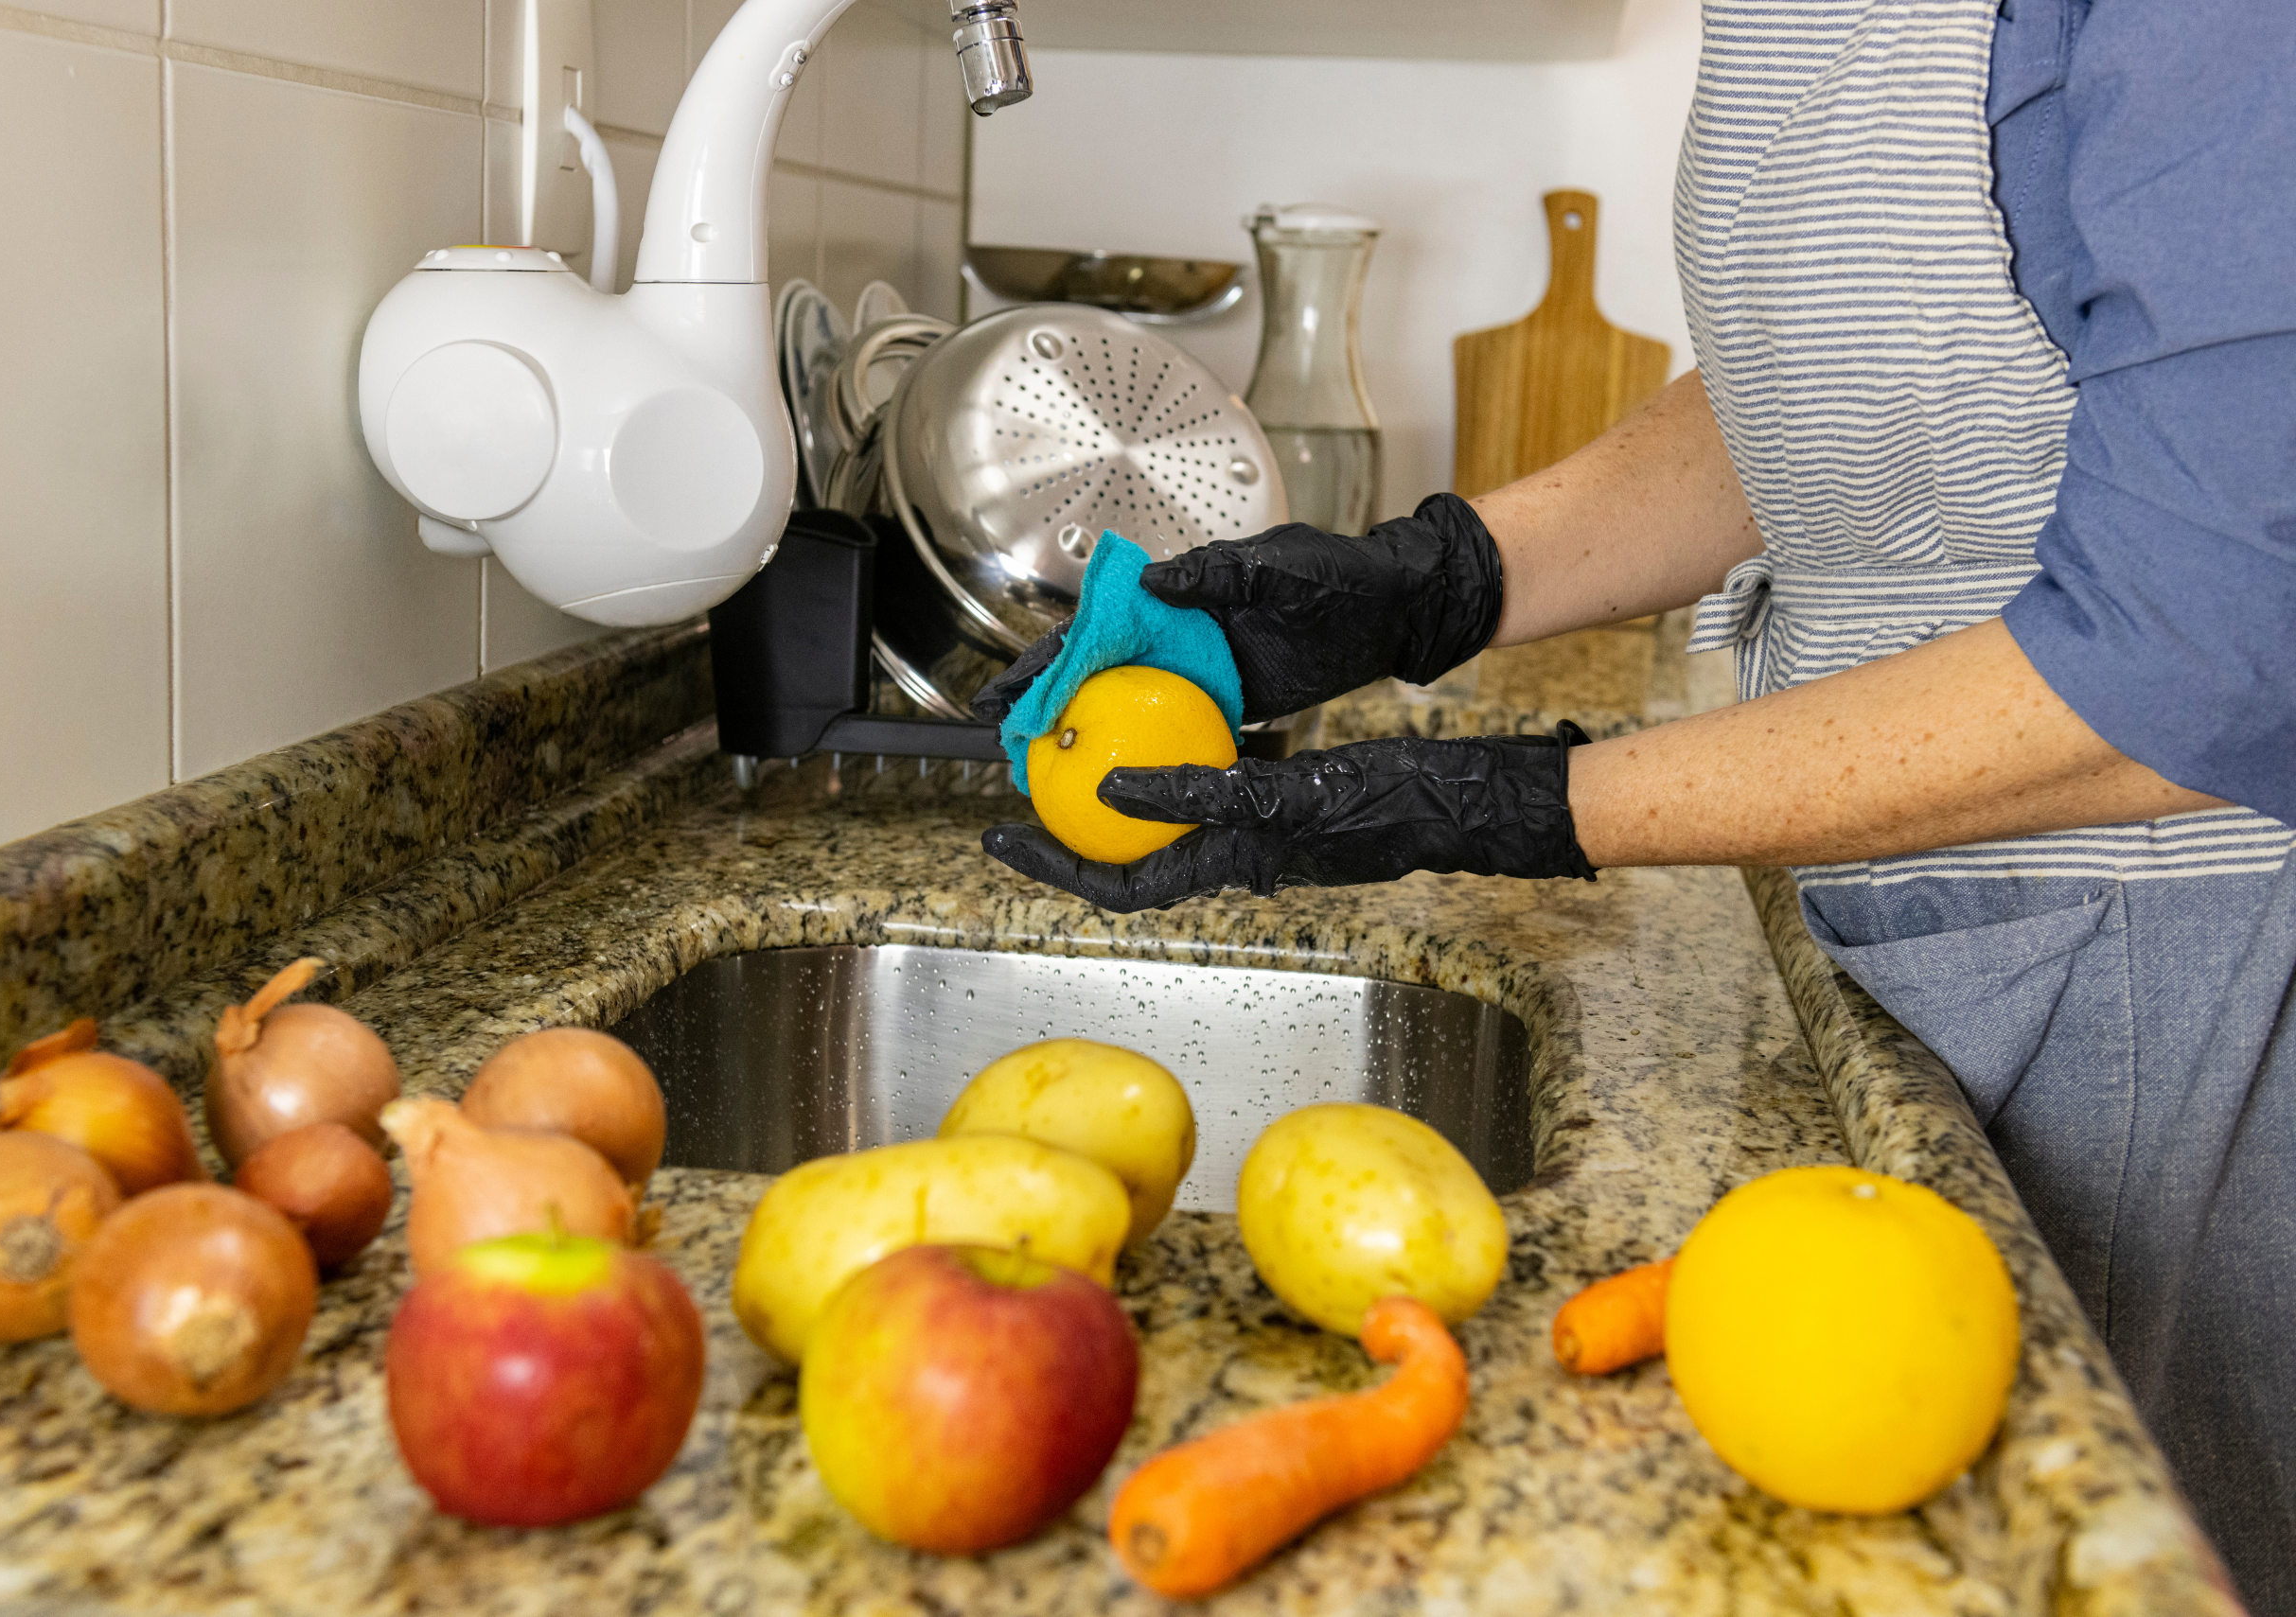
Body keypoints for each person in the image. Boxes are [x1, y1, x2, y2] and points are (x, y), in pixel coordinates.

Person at [972, 0, 2295, 1605]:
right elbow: (1836, 397)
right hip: (1899, 908)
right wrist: (1435, 582)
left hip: (2159, 967)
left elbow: (2190, 670)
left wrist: (1525, 801)